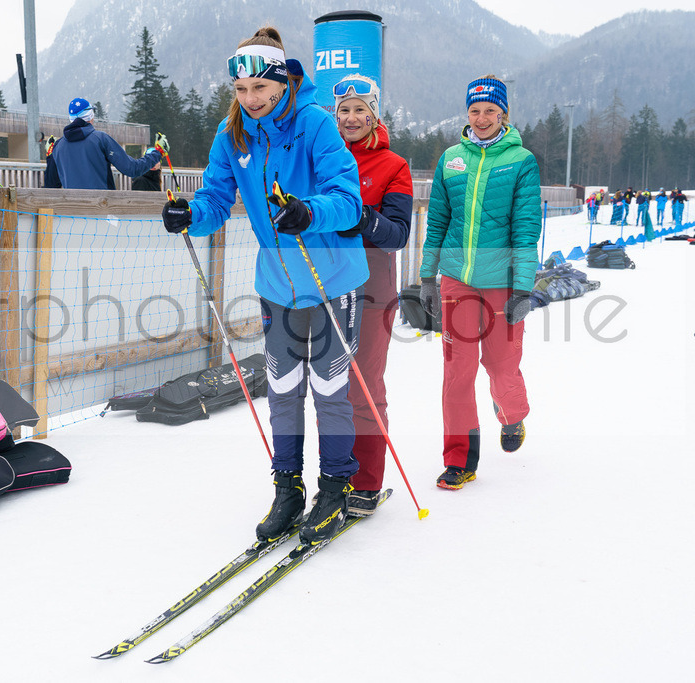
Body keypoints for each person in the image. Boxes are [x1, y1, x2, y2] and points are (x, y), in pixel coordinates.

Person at [161, 27, 368, 544]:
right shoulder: (232, 135)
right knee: (281, 388)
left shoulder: (317, 125)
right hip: (277, 282)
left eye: (260, 89)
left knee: (328, 388)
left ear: (281, 83)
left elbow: (348, 200)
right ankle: (288, 486)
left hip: (331, 277)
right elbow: (214, 198)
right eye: (240, 90)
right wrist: (189, 214)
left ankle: (336, 486)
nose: (250, 100)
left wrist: (309, 212)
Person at [418, 74, 541, 490]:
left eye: (490, 110)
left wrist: (524, 286)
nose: (482, 117)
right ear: (466, 112)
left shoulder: (521, 160)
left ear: (504, 113)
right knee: (457, 372)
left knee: (501, 366)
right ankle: (460, 460)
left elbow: (526, 229)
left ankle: (512, 414)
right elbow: (437, 221)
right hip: (457, 280)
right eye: (475, 110)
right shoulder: (451, 158)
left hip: (503, 283)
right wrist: (426, 277)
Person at [332, 73, 412, 515]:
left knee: (362, 384)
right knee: (328, 386)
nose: (351, 117)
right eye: (343, 110)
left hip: (372, 290)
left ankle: (365, 479)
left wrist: (360, 217)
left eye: (360, 109)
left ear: (375, 114)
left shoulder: (393, 165)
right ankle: (333, 472)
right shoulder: (322, 159)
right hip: (324, 286)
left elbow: (397, 235)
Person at [51, 97, 162, 190]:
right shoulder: (100, 139)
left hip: (71, 212)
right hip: (102, 209)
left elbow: (51, 184)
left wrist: (49, 157)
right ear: (90, 115)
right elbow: (132, 169)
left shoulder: (58, 146)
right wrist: (158, 153)